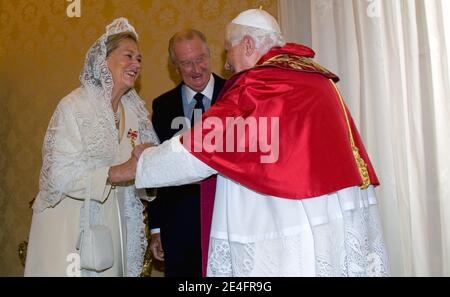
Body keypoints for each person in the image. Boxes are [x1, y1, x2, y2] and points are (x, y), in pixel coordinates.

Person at [119, 9, 390, 277]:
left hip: (284, 223)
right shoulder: (316, 79)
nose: (227, 65)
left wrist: (144, 162)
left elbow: (203, 150)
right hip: (330, 214)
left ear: (247, 45)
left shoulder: (260, 85)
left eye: (229, 52)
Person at [24, 18, 159, 277]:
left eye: (140, 59)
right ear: (103, 61)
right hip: (70, 232)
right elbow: (58, 175)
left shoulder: (135, 112)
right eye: (128, 56)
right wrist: (119, 172)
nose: (136, 64)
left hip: (114, 234)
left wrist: (150, 167)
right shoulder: (74, 106)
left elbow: (140, 180)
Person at [149, 29, 225, 277]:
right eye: (186, 63)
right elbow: (156, 169)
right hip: (179, 227)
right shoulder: (162, 106)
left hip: (228, 219)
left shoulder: (235, 94)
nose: (196, 69)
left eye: (201, 59)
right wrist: (156, 227)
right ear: (175, 67)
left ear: (210, 54)